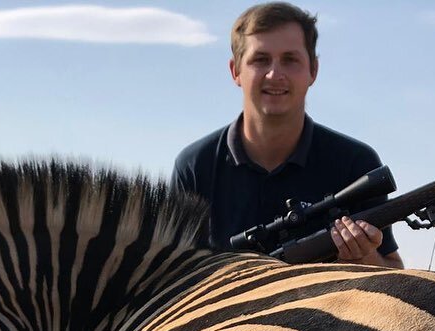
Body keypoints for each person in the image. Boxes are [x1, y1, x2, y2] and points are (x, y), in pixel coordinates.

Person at [171, 2, 404, 269]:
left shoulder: (357, 163)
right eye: (260, 60)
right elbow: (174, 279)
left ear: (313, 71)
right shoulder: (194, 167)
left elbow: (393, 270)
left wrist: (364, 258)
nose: (275, 74)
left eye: (290, 60)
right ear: (235, 71)